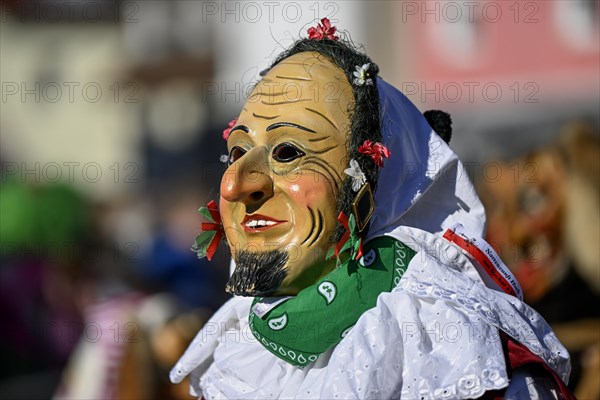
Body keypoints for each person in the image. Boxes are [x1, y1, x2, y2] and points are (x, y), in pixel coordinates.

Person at [171, 19, 573, 399]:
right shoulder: (237, 349)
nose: (236, 184)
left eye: (288, 151)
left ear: (371, 185)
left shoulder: (446, 348)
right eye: (237, 152)